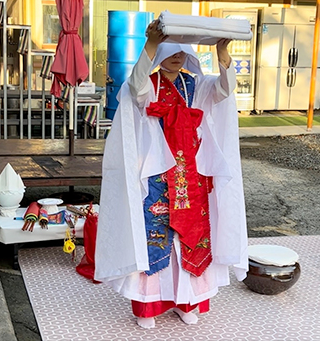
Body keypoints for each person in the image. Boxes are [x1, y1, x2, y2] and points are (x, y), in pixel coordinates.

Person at [94, 19, 249, 329]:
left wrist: (222, 54)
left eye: (182, 51)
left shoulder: (196, 85)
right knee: (158, 236)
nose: (177, 56)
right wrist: (151, 44)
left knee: (190, 236)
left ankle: (187, 302)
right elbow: (135, 87)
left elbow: (224, 90)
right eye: (170, 50)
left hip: (192, 173)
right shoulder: (149, 84)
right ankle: (148, 308)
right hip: (159, 175)